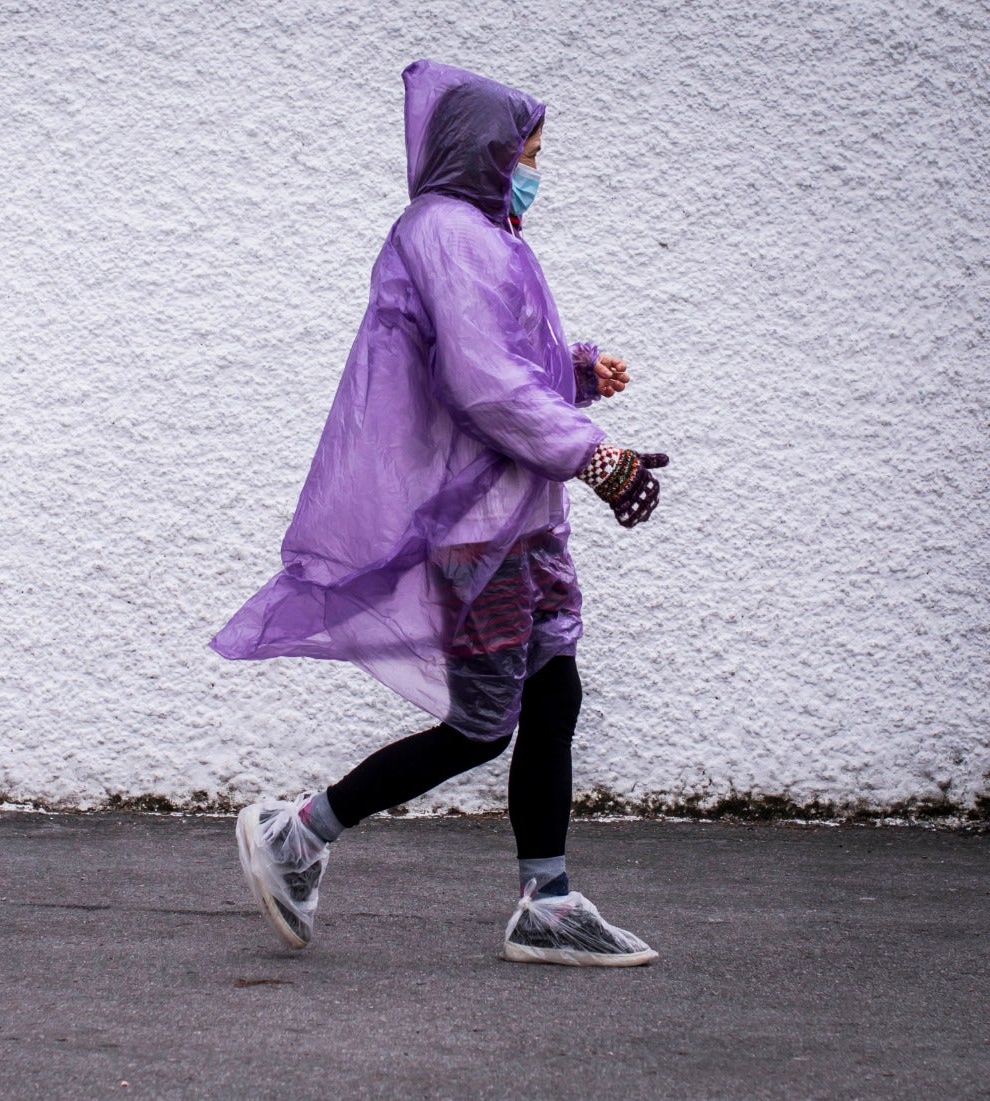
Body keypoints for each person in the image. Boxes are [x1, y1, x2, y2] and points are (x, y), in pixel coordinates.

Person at [210, 59, 668, 966]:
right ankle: (299, 831)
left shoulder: (492, 234)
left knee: (554, 691)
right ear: (486, 150)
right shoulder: (447, 231)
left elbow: (502, 359)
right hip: (476, 529)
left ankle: (548, 898)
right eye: (529, 153)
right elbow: (482, 383)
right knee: (483, 721)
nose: (535, 169)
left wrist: (577, 372)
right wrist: (596, 453)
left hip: (519, 518)